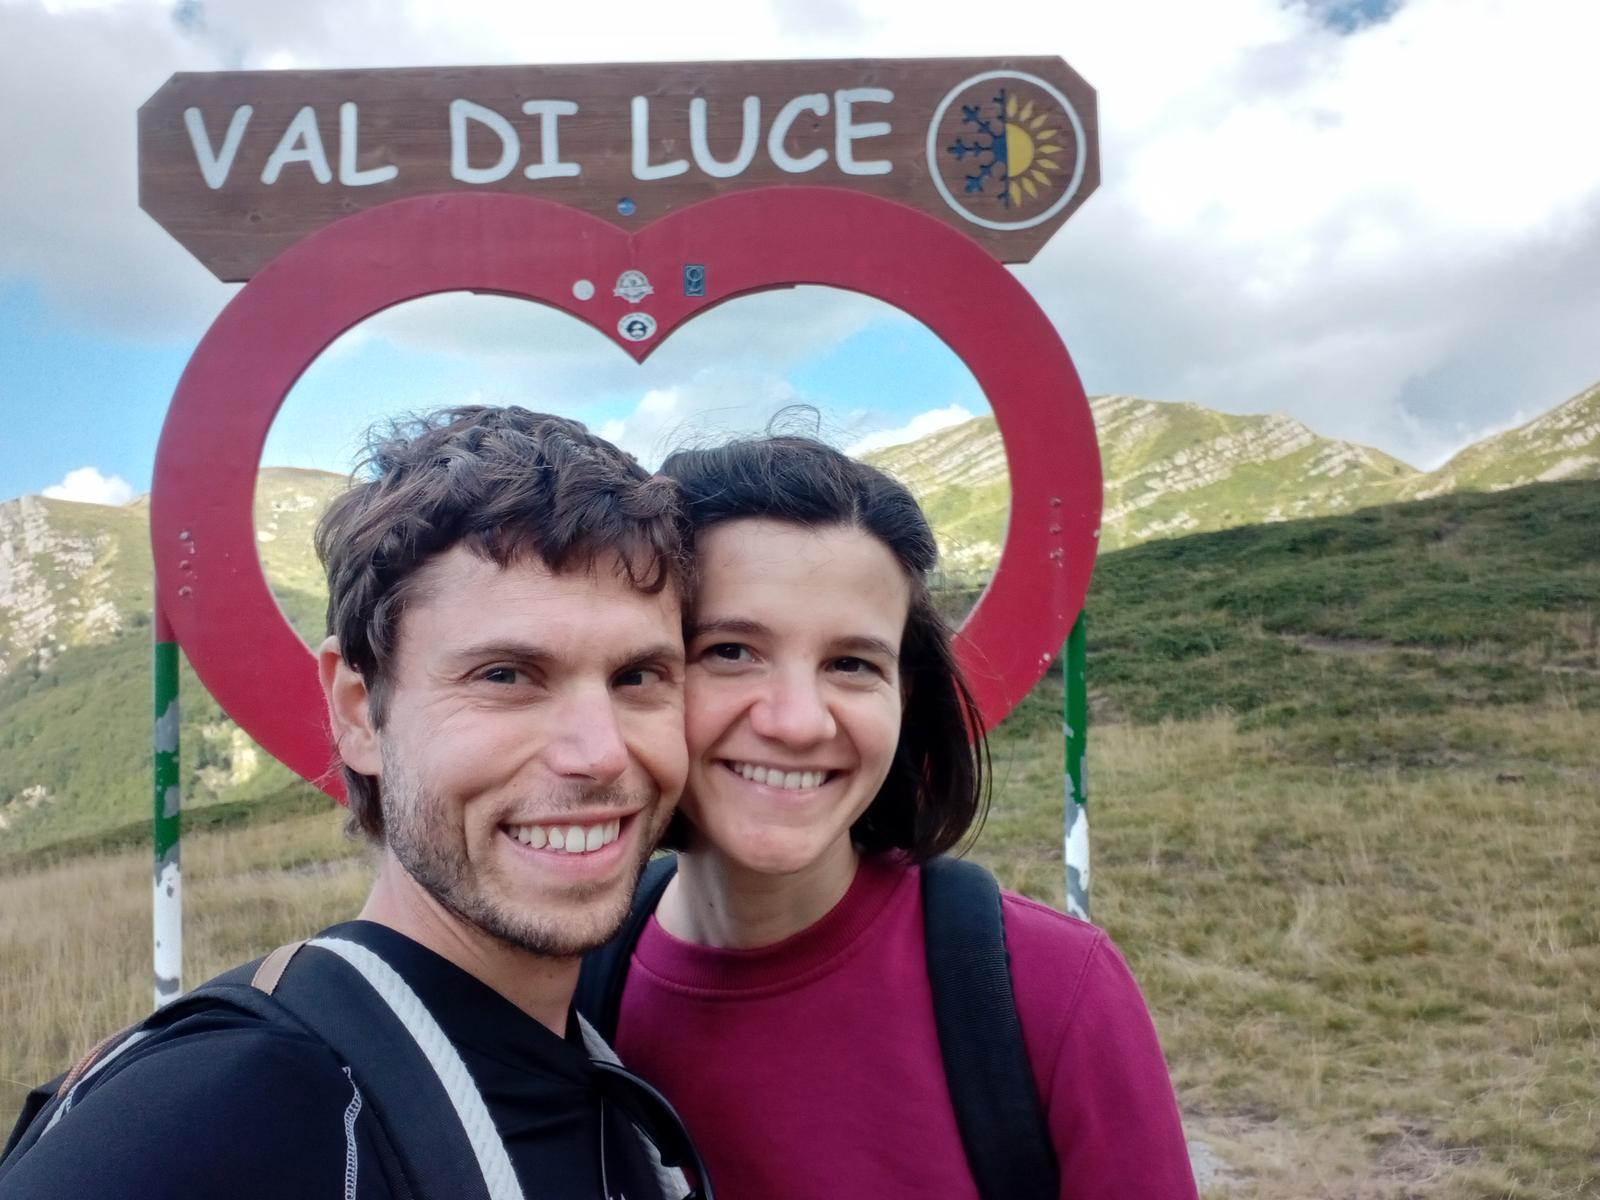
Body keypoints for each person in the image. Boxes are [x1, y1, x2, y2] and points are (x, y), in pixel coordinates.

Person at [0, 407, 706, 1199]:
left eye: (638, 678)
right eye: (505, 676)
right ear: (356, 710)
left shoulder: (610, 1065)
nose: (600, 752)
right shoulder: (211, 1120)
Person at [584, 435, 1199, 1199]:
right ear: (643, 672)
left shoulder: (1053, 990)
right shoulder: (571, 981)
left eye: (852, 664)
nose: (799, 722)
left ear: (905, 695)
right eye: (732, 651)